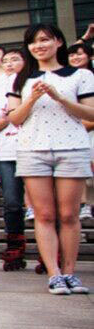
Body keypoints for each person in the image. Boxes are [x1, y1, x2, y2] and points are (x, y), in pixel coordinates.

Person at [6, 24, 94, 295]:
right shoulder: (23, 78)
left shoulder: (81, 75)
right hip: (33, 150)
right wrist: (31, 98)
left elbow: (90, 113)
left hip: (71, 148)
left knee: (68, 214)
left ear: (58, 42)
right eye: (33, 42)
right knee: (43, 215)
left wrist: (59, 97)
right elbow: (14, 118)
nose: (39, 46)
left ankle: (69, 272)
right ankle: (54, 274)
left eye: (45, 40)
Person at [0, 50, 29, 271]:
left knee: (46, 206)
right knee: (13, 203)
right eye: (5, 60)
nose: (9, 64)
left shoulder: (36, 83)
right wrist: (8, 117)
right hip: (7, 151)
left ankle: (52, 253)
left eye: (14, 59)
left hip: (35, 148)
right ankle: (15, 247)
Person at [66, 42, 94, 221]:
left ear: (90, 56)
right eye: (72, 55)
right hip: (72, 130)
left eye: (79, 54)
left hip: (89, 129)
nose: (75, 58)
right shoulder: (66, 79)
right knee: (82, 169)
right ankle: (84, 205)